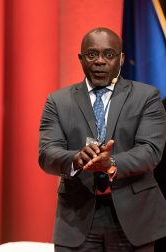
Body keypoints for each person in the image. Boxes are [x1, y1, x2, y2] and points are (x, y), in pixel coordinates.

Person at [39, 27, 166, 251]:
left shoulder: (147, 97)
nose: (100, 61)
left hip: (133, 217)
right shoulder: (58, 101)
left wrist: (111, 164)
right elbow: (47, 153)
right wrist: (76, 158)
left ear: (121, 58)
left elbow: (150, 151)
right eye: (92, 54)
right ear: (80, 59)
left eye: (109, 54)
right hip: (76, 218)